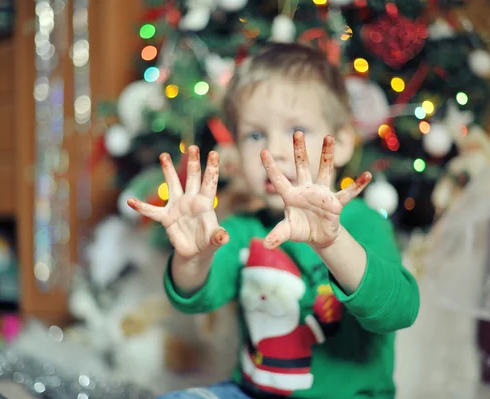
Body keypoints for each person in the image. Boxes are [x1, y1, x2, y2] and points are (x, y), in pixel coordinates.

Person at [127, 42, 419, 399]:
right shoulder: (241, 229)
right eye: (255, 135)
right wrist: (192, 258)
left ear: (341, 142)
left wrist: (331, 242)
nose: (275, 150)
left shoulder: (363, 223)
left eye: (297, 131)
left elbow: (399, 311)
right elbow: (193, 297)